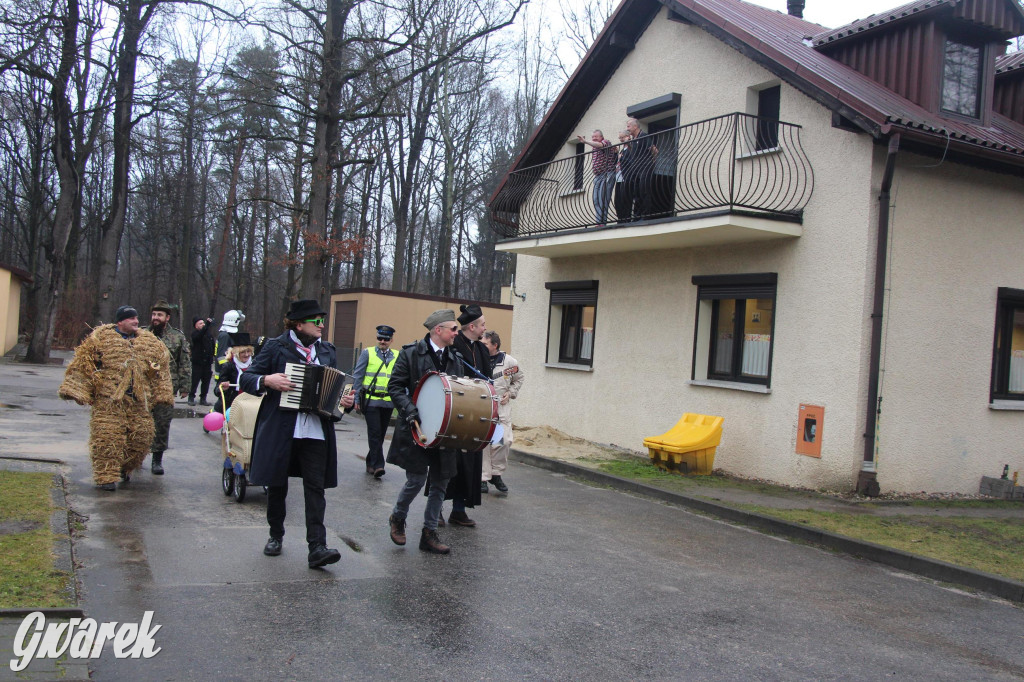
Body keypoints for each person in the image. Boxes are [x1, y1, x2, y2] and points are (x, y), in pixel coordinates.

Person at [238, 299, 354, 569]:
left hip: (315, 429)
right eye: (316, 321)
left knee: (315, 486)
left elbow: (339, 390)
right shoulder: (275, 347)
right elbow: (248, 377)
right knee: (277, 483)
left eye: (322, 321)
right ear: (299, 324)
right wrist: (267, 380)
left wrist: (346, 402)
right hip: (282, 427)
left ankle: (317, 546)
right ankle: (275, 535)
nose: (322, 325)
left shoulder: (326, 351)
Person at [58, 305, 174, 491]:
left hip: (139, 402)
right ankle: (105, 476)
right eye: (131, 319)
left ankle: (124, 467)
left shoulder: (150, 343)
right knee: (107, 438)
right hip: (109, 401)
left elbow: (161, 370)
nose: (136, 321)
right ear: (120, 321)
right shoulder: (101, 339)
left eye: (137, 318)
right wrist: (76, 389)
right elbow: (83, 365)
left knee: (141, 439)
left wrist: (163, 394)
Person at [385, 309, 469, 554]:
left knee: (441, 482)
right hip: (417, 428)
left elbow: (460, 393)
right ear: (438, 330)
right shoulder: (410, 354)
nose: (457, 333)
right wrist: (409, 410)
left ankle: (429, 533)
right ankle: (398, 518)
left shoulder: (455, 358)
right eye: (453, 329)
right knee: (417, 479)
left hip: (445, 431)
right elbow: (395, 386)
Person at [445, 303, 490, 526]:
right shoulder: (453, 347)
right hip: (455, 413)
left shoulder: (482, 349)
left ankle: (459, 509)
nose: (485, 329)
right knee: (448, 462)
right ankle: (435, 511)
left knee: (470, 464)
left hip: (476, 415)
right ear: (471, 326)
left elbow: (488, 380)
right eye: (483, 325)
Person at [144, 299, 191, 475]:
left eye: (160, 315)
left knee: (162, 423)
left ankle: (157, 459)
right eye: (154, 314)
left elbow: (184, 363)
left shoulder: (177, 337)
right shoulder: (143, 334)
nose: (156, 318)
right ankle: (135, 457)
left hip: (166, 387)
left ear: (167, 317)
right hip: (144, 387)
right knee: (139, 422)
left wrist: (185, 386)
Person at [350, 324, 398, 478]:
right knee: (375, 432)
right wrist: (356, 397)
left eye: (386, 339)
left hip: (388, 401)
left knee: (381, 434)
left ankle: (371, 461)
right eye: (380, 338)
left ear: (391, 340)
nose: (382, 341)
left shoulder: (397, 355)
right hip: (370, 401)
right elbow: (358, 376)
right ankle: (378, 465)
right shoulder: (367, 353)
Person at [480, 330, 524, 495]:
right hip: (482, 406)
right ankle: (483, 478)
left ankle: (496, 474)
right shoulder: (478, 358)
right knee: (484, 442)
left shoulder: (509, 362)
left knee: (502, 441)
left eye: (485, 344)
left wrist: (511, 392)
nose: (482, 346)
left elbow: (520, 377)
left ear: (495, 345)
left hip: (500, 408)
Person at [576, 129, 617, 225]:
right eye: (593, 137)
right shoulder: (594, 147)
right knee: (596, 200)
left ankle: (602, 222)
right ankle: (599, 222)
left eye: (596, 137)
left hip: (607, 174)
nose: (594, 138)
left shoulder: (606, 142)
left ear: (601, 137)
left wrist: (585, 141)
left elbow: (600, 145)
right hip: (598, 176)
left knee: (603, 199)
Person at [622, 117, 658, 221]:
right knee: (636, 192)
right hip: (636, 169)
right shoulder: (633, 139)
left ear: (635, 126)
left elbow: (655, 150)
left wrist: (652, 163)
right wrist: (628, 144)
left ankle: (646, 215)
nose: (627, 128)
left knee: (644, 191)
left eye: (628, 126)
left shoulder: (643, 136)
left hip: (645, 167)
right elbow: (633, 150)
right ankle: (637, 216)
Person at [212, 342, 253, 414]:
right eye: (243, 352)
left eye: (248, 351)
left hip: (249, 405)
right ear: (236, 353)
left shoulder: (255, 365)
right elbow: (217, 390)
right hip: (229, 405)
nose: (246, 355)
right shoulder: (228, 366)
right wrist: (223, 388)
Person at [188, 316, 215, 406]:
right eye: (200, 323)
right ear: (196, 326)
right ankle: (191, 397)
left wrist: (211, 357)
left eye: (203, 323)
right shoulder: (195, 334)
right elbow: (199, 337)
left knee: (206, 381)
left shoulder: (209, 335)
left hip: (207, 363)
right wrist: (207, 326)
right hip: (198, 362)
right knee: (195, 381)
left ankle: (203, 398)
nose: (203, 325)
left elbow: (212, 345)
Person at [215, 309, 245, 374]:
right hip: (224, 375)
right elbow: (221, 357)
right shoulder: (224, 336)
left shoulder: (226, 334)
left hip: (226, 372)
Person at [613, 129, 633, 224]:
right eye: (619, 138)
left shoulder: (631, 148)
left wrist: (622, 158)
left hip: (626, 178)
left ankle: (626, 220)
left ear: (628, 137)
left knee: (625, 200)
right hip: (619, 179)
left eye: (622, 137)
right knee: (617, 202)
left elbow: (631, 162)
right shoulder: (623, 149)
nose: (620, 139)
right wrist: (617, 153)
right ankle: (620, 220)